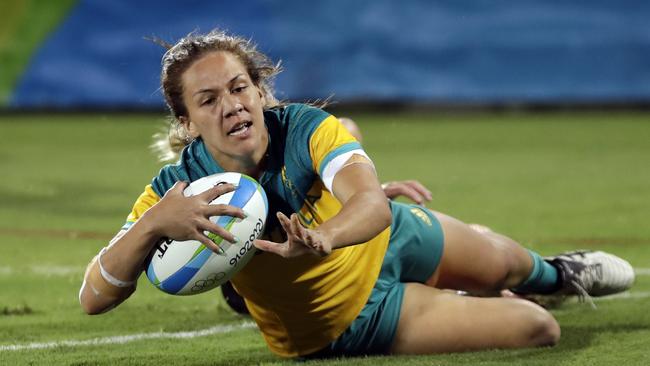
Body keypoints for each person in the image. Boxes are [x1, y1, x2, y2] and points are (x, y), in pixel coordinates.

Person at [79, 29, 635, 359]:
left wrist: (323, 234)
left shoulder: (305, 127)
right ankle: (469, 301)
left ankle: (559, 274)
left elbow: (370, 205)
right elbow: (93, 296)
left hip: (386, 236)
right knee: (538, 328)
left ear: (259, 88)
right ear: (188, 121)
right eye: (208, 100)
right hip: (347, 320)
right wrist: (153, 226)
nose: (232, 106)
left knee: (512, 263)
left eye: (240, 87)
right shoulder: (173, 192)